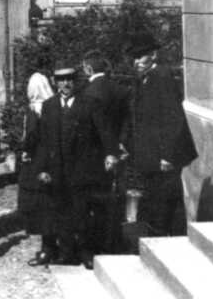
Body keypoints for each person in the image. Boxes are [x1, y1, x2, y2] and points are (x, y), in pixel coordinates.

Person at [124, 32, 197, 237]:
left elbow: (174, 119)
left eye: (140, 56)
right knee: (156, 201)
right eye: (133, 58)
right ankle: (160, 237)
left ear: (153, 55)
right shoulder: (144, 79)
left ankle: (169, 239)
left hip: (164, 158)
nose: (136, 62)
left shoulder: (162, 77)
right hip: (151, 155)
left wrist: (167, 156)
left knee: (166, 203)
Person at [34, 67, 88, 266]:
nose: (65, 84)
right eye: (61, 80)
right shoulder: (49, 105)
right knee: (59, 211)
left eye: (69, 80)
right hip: (56, 169)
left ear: (75, 81)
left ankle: (85, 252)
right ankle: (65, 253)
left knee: (81, 211)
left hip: (80, 169)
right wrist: (42, 169)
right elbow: (43, 140)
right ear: (55, 83)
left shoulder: (87, 103)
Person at [79, 50, 130, 254]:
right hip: (118, 151)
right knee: (115, 198)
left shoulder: (86, 92)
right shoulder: (120, 90)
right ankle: (115, 241)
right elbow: (127, 121)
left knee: (94, 201)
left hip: (93, 154)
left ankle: (97, 244)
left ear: (88, 68)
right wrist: (120, 145)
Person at [18, 72, 58, 266]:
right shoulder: (55, 106)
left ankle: (47, 249)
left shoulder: (34, 110)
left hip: (38, 163)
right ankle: (53, 245)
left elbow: (31, 137)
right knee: (52, 204)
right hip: (53, 161)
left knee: (41, 206)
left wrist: (25, 150)